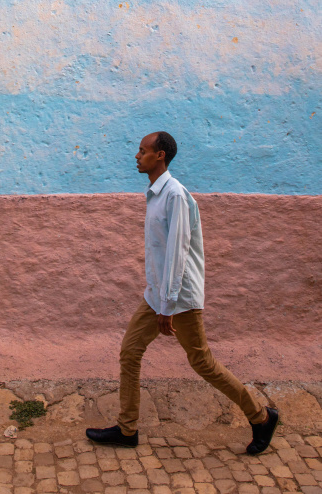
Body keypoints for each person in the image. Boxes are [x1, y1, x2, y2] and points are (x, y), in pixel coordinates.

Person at [86, 131, 278, 455]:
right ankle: (127, 428)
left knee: (202, 362)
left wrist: (168, 306)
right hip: (158, 295)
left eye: (143, 150)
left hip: (179, 299)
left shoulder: (174, 194)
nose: (137, 155)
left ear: (159, 155)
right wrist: (159, 299)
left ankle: (260, 417)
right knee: (130, 352)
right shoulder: (155, 194)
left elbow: (177, 252)